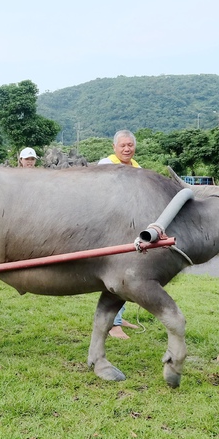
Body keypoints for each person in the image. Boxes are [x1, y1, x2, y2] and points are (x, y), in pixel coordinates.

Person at [97, 129, 143, 338]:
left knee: (128, 272)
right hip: (108, 229)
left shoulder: (137, 168)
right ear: (114, 148)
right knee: (116, 274)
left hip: (129, 229)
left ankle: (118, 317)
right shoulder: (106, 165)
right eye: (122, 145)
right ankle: (113, 324)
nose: (127, 148)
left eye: (130, 145)